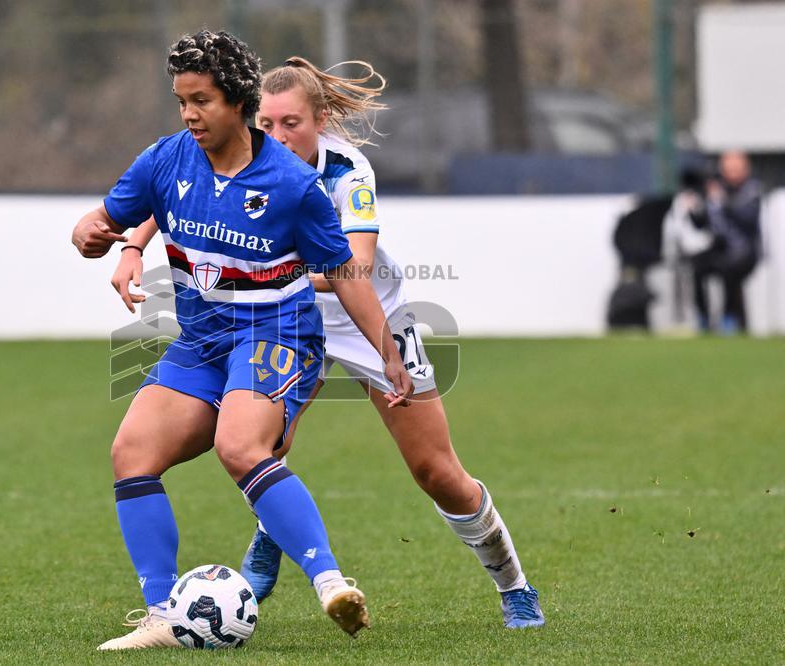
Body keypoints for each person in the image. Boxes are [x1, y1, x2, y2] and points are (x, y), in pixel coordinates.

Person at [110, 57, 544, 629]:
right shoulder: (238, 157)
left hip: (369, 316)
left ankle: (514, 585)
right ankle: (276, 543)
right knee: (263, 443)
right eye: (268, 122)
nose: (279, 135)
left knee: (435, 470)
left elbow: (354, 268)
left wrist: (257, 268)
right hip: (286, 318)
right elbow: (174, 200)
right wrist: (133, 244)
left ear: (321, 121)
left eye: (293, 123)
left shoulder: (345, 171)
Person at [71, 31, 412, 649]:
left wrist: (387, 353)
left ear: (236, 101)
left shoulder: (290, 182)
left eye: (201, 100)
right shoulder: (166, 158)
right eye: (181, 101)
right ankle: (162, 618)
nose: (189, 114)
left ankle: (331, 582)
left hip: (278, 333)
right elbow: (102, 218)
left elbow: (344, 273)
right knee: (132, 453)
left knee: (239, 445)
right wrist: (96, 236)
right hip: (202, 340)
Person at [690, 151, 762, 333]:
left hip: (745, 252)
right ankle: (704, 319)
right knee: (697, 267)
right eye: (728, 169)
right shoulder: (715, 189)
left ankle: (728, 320)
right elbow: (702, 224)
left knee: (729, 271)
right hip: (719, 248)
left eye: (736, 169)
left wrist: (724, 202)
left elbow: (748, 220)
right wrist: (694, 210)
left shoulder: (751, 190)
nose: (732, 173)